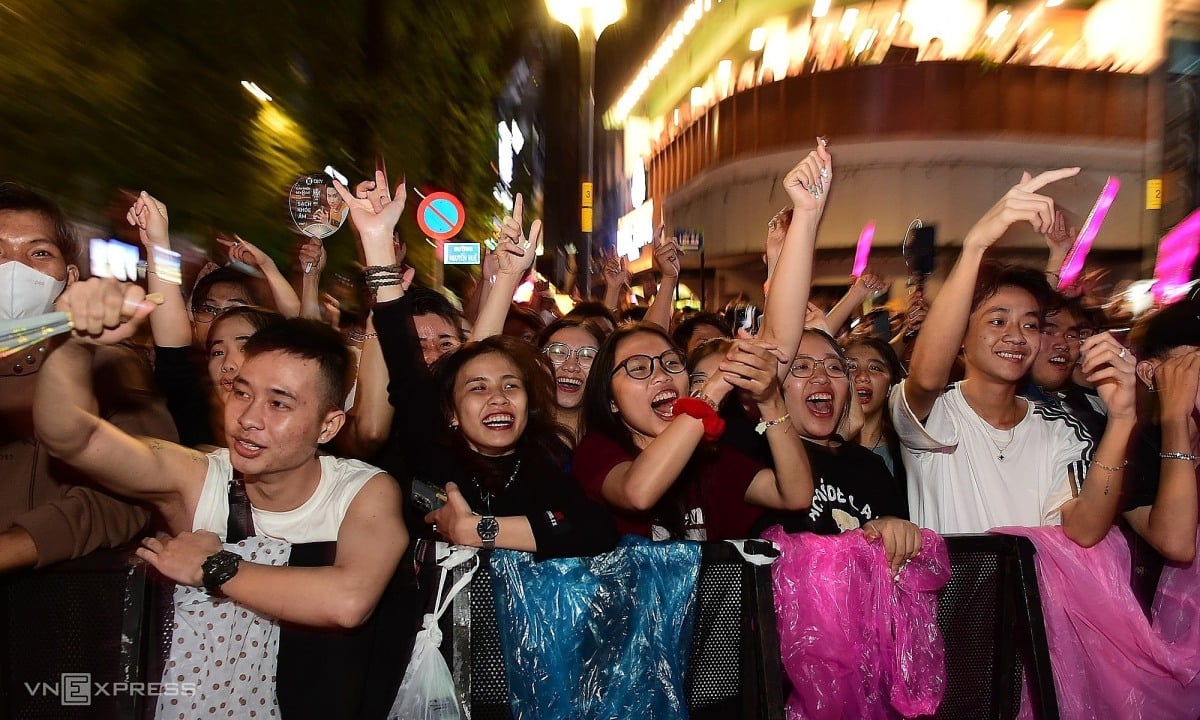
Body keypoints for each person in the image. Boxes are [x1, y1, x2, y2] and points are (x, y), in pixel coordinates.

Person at [33, 279, 408, 718]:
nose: (248, 418)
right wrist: (76, 348)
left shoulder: (361, 491)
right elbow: (71, 437)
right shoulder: (198, 478)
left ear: (328, 426)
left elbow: (348, 602)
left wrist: (211, 567)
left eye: (279, 404)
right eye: (241, 393)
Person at [335, 169, 618, 558]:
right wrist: (378, 240)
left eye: (511, 386)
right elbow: (402, 354)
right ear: (451, 411)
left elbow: (596, 529)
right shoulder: (428, 444)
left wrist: (479, 529)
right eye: (478, 388)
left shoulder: (540, 462)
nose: (498, 397)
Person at [895, 168, 1137, 544]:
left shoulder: (1059, 427)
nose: (1015, 335)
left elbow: (1085, 530)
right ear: (960, 338)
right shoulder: (934, 416)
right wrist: (975, 245)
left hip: (1031, 602)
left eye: (1030, 325)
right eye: (997, 320)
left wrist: (1122, 420)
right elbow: (926, 377)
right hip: (946, 603)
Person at [0, 182, 173, 574]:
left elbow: (132, 497)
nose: (14, 269)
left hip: (56, 610)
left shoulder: (111, 367)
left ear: (71, 277)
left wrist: (16, 546)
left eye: (39, 252)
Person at [755, 329, 918, 573]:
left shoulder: (869, 465)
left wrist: (895, 529)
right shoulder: (757, 455)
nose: (821, 377)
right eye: (801, 367)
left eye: (834, 367)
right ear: (775, 386)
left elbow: (899, 545)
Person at [1124, 299, 1200, 565]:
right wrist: (1175, 419)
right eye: (1195, 361)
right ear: (1149, 373)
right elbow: (1176, 544)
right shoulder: (1131, 451)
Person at [844, 336, 908, 501]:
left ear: (890, 387)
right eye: (851, 366)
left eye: (875, 368)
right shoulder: (819, 445)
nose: (862, 376)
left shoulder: (905, 452)